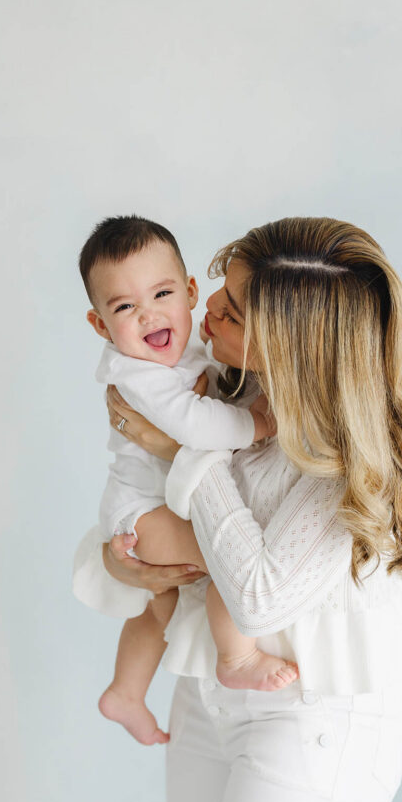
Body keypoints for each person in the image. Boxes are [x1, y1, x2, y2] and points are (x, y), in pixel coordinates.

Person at [73, 216, 402, 802]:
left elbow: (256, 596)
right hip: (209, 692)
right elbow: (140, 531)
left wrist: (189, 454)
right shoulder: (210, 387)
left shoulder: (349, 456)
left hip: (318, 709)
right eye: (219, 292)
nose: (205, 311)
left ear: (293, 341)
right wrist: (128, 563)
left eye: (231, 306)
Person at [77, 216, 298, 747]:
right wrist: (259, 424)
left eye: (161, 293)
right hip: (145, 511)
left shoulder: (184, 356)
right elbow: (198, 426)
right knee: (223, 558)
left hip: (152, 507)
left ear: (191, 292)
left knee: (162, 606)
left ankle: (125, 692)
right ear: (101, 326)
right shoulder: (138, 374)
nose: (148, 313)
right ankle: (237, 657)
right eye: (125, 307)